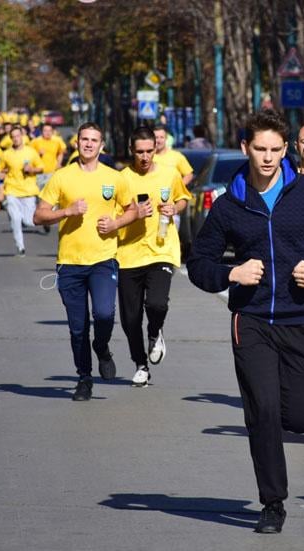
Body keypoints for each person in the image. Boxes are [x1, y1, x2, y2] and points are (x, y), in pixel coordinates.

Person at [187, 110, 304, 534]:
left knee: (299, 418)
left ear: (287, 149)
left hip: (300, 319)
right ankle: (272, 503)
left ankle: (280, 425)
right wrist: (232, 274)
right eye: (259, 149)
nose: (267, 157)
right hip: (252, 320)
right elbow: (198, 264)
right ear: (245, 148)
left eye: (276, 149)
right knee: (262, 410)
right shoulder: (229, 206)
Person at [34, 123, 140, 401]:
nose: (89, 144)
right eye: (84, 140)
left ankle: (102, 347)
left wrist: (115, 223)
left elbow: (133, 211)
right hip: (69, 263)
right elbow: (39, 215)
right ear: (77, 143)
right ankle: (84, 378)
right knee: (77, 326)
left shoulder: (115, 178)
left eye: (94, 140)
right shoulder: (61, 177)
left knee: (104, 314)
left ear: (101, 145)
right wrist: (67, 211)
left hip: (104, 259)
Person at [117, 126, 192, 387]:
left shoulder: (170, 173)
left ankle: (155, 331)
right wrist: (131, 215)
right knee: (130, 318)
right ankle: (141, 365)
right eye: (140, 152)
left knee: (157, 304)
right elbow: (114, 216)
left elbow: (183, 198)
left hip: (162, 248)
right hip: (128, 253)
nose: (145, 157)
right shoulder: (122, 178)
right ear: (131, 151)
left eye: (150, 151)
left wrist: (174, 208)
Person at [0, 125, 44, 256]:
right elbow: (0, 169)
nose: (16, 139)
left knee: (28, 222)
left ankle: (43, 221)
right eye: (14, 137)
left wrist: (32, 169)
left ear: (22, 137)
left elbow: (41, 167)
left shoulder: (31, 152)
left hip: (28, 191)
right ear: (11, 139)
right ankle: (20, 246)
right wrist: (1, 174)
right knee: (16, 219)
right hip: (12, 190)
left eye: (18, 136)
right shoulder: (6, 154)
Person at [31, 123, 66, 190]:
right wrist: (38, 154)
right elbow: (30, 156)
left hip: (52, 172)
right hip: (39, 173)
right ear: (41, 132)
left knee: (51, 195)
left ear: (52, 131)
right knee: (40, 195)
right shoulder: (36, 141)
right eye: (45, 130)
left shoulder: (57, 140)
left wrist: (58, 163)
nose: (48, 133)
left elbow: (61, 152)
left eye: (50, 130)